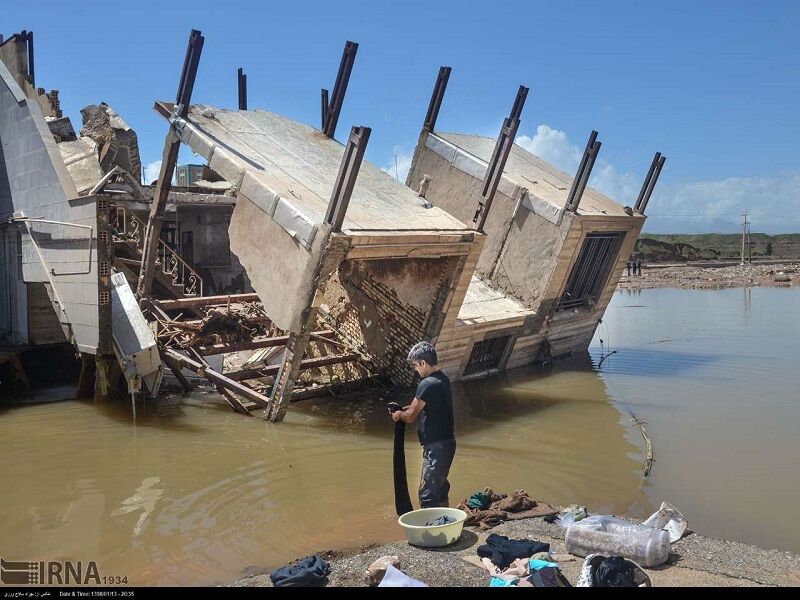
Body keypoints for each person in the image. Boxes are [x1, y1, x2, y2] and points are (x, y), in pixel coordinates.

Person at [389, 341, 456, 508]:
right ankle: (445, 520)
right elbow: (415, 407)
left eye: (416, 365)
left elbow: (410, 416)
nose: (416, 370)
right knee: (440, 488)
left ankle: (432, 531)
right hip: (445, 444)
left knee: (427, 494)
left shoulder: (426, 384)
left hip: (437, 447)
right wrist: (401, 411)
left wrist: (399, 415)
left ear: (423, 363)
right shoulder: (442, 379)